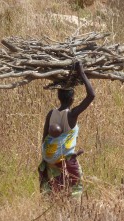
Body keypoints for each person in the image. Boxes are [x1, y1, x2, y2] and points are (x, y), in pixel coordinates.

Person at [38, 61, 95, 198]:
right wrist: (81, 72)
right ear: (72, 99)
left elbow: (45, 140)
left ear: (58, 97)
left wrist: (57, 155)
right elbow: (91, 95)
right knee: (74, 193)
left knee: (55, 195)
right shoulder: (71, 115)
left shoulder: (51, 114)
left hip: (50, 163)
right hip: (66, 163)